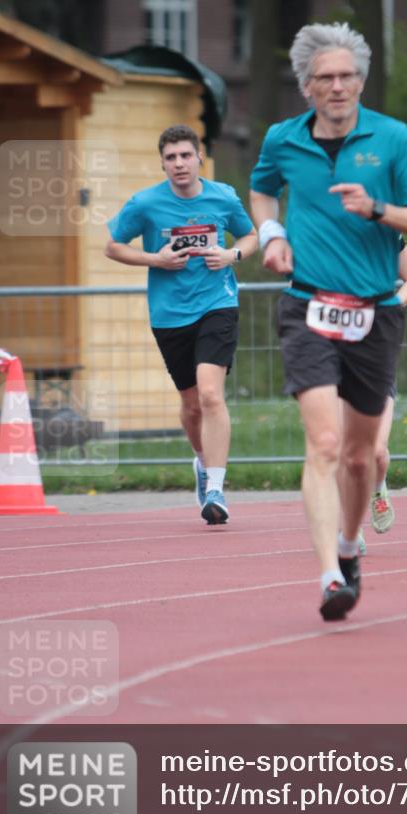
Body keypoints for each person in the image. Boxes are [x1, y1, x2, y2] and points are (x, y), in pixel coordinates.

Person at [249, 22, 407, 621]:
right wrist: (272, 234)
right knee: (324, 443)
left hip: (376, 313)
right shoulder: (283, 139)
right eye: (325, 78)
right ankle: (331, 578)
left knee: (361, 458)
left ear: (361, 81)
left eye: (348, 76)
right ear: (307, 86)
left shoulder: (393, 138)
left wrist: (378, 208)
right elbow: (261, 191)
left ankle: (351, 545)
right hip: (307, 305)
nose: (338, 86)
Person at [105, 124, 258, 525]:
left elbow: (251, 236)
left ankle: (217, 488)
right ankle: (202, 463)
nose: (179, 164)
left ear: (199, 158)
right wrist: (156, 259)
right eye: (171, 158)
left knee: (210, 394)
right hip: (170, 314)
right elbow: (113, 246)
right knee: (191, 405)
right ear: (162, 163)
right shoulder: (145, 204)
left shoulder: (223, 196)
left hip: (217, 303)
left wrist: (231, 256)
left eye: (185, 155)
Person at [368, 243, 407, 537]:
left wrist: (391, 305)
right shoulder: (320, 227)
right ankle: (346, 532)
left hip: (376, 351)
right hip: (332, 352)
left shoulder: (387, 230)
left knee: (376, 451)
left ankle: (378, 489)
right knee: (337, 448)